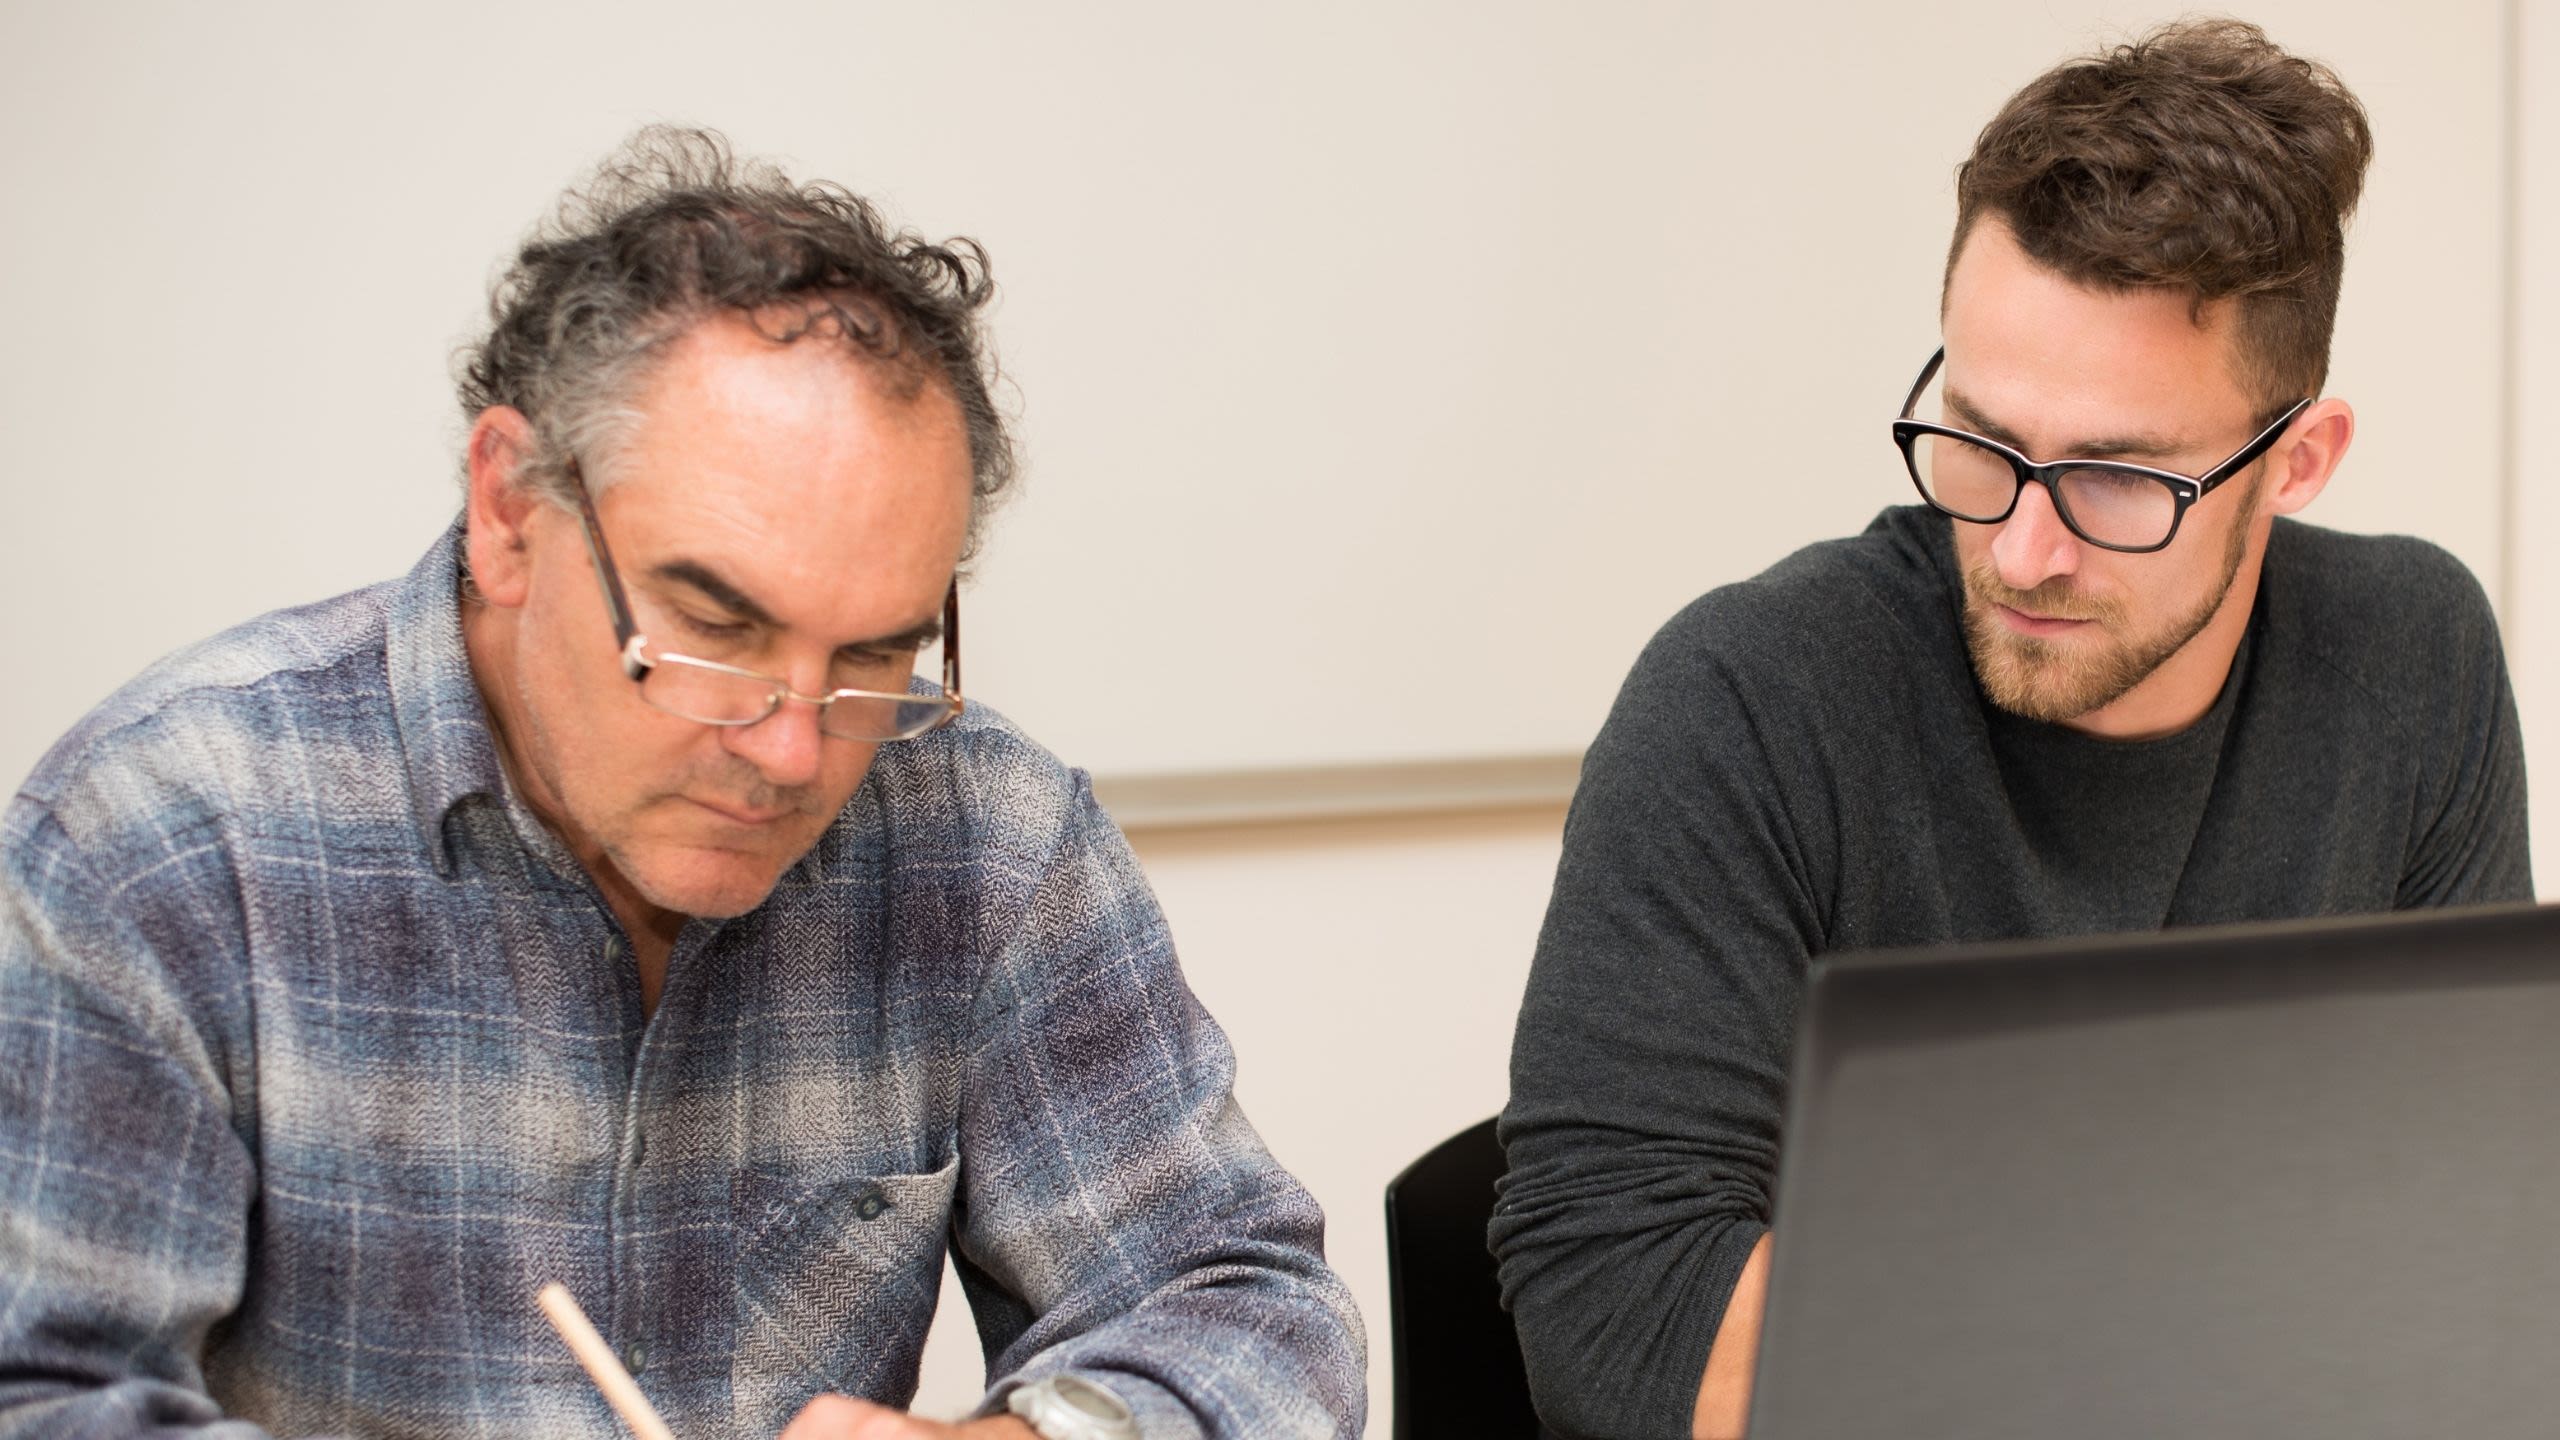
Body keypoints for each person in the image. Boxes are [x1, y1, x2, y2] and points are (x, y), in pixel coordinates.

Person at [0, 129, 1362, 1440]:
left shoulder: (980, 837)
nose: (790, 750)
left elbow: (1245, 1306)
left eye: (874, 655)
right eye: (716, 630)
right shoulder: (165, 842)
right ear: (510, 509)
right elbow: (39, 1394)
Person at [1493, 20, 2532, 1440]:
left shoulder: (2415, 658)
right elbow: (1618, 1309)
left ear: (2295, 462)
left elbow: (2458, 1221)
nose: (2025, 549)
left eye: (2115, 479)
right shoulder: (1749, 696)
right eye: (1980, 442)